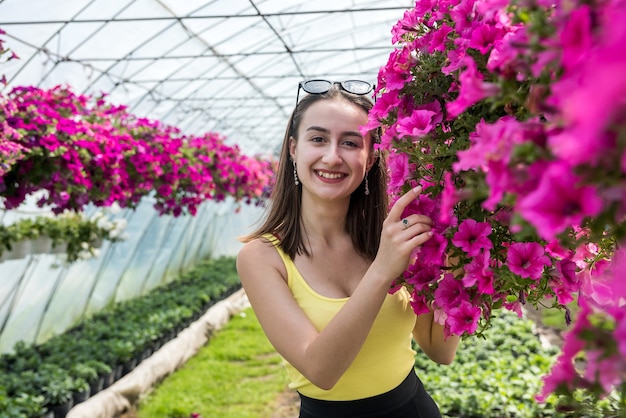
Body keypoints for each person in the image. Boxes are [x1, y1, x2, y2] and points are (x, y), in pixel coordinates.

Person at [236, 80, 460, 418]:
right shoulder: (263, 258)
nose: (332, 156)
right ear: (294, 150)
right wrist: (383, 270)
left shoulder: (391, 236)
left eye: (351, 143)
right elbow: (321, 370)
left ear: (370, 159)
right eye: (318, 139)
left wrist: (458, 263)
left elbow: (439, 349)